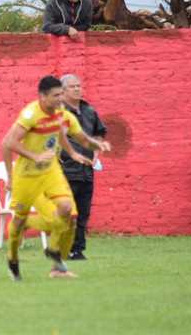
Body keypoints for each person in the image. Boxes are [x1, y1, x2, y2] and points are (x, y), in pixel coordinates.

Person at [1, 75, 110, 281]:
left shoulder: (62, 115)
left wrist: (83, 150)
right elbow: (7, 143)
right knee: (19, 222)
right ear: (43, 97)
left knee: (68, 211)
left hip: (51, 171)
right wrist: (11, 175)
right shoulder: (30, 114)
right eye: (56, 95)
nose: (61, 99)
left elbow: (71, 135)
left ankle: (55, 258)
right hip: (27, 176)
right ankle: (13, 259)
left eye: (61, 94)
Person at [60, 74, 107, 260]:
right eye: (73, 87)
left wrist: (96, 152)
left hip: (87, 171)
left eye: (79, 86)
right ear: (62, 91)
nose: (78, 89)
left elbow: (99, 133)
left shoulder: (89, 111)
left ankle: (77, 250)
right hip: (65, 170)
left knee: (83, 212)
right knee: (66, 211)